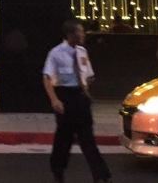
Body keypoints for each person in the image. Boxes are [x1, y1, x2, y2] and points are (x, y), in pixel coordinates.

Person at [43, 19, 112, 183]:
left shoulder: (82, 51)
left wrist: (86, 90)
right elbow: (47, 78)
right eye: (79, 32)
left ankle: (100, 174)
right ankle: (58, 170)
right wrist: (54, 100)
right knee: (63, 139)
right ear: (70, 35)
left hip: (80, 97)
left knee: (88, 139)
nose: (83, 35)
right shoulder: (56, 53)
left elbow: (88, 74)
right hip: (65, 97)